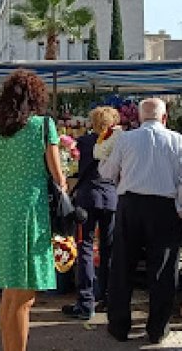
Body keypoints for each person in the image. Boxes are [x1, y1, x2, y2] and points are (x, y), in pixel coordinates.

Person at [0, 69, 66, 351]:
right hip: (31, 211)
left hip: (3, 212)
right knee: (23, 297)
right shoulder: (43, 127)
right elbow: (59, 177)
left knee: (9, 295)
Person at [100, 98, 182, 345]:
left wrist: (104, 155)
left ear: (140, 118)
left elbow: (107, 173)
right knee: (163, 270)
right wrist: (181, 206)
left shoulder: (125, 138)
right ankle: (157, 329)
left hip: (130, 205)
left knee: (122, 266)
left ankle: (119, 326)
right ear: (165, 118)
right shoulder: (178, 140)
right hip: (165, 207)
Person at [61, 106, 121, 320]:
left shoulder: (84, 142)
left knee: (85, 246)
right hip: (111, 197)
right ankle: (106, 297)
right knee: (109, 249)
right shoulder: (117, 143)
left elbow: (72, 167)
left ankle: (86, 302)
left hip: (87, 197)